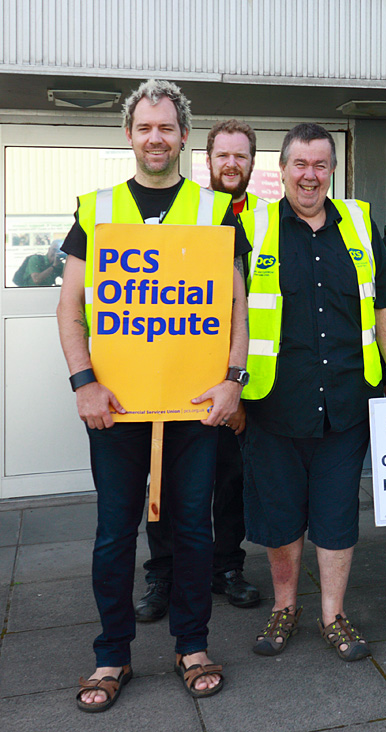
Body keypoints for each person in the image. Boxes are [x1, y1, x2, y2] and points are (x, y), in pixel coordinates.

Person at [57, 79, 249, 710]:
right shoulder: (97, 207)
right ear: (130, 134)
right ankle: (111, 655)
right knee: (115, 532)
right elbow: (70, 308)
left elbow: (238, 307)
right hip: (115, 406)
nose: (156, 138)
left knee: (194, 530)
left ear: (184, 135)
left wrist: (234, 380)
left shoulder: (215, 211)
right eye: (145, 128)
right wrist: (84, 382)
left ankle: (191, 644)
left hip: (193, 404)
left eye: (167, 127)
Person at [238, 123, 386, 663]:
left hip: (345, 402)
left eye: (320, 165)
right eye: (300, 165)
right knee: (282, 516)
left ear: (332, 169)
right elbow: (229, 310)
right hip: (273, 403)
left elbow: (383, 301)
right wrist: (232, 383)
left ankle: (333, 614)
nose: (310, 176)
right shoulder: (251, 227)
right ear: (283, 169)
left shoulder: (360, 224)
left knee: (337, 516)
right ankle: (284, 607)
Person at [136, 119, 262, 620]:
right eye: (223, 156)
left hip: (241, 372)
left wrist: (239, 378)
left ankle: (226, 568)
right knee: (164, 479)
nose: (232, 164)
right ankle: (163, 575)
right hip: (179, 367)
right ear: (207, 159)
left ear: (254, 162)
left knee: (232, 477)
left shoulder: (270, 218)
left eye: (241, 156)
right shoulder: (189, 209)